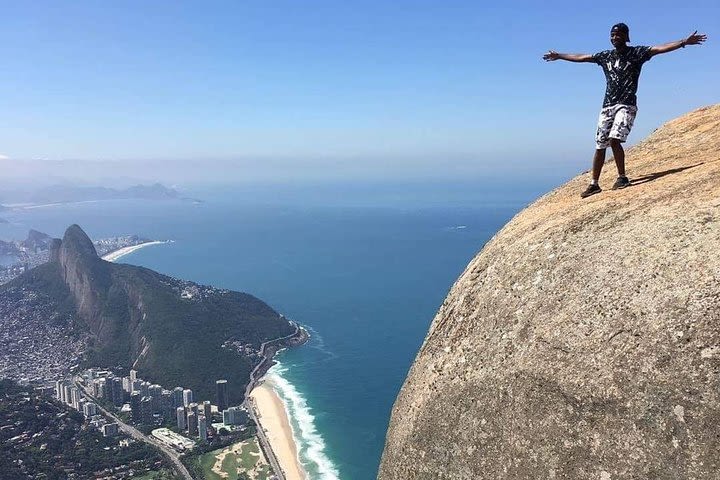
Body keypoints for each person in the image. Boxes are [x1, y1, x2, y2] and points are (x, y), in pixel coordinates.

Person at [543, 24, 707, 198]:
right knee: (600, 145)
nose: (615, 37)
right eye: (612, 35)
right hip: (607, 106)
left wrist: (683, 42)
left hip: (626, 104)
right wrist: (559, 56)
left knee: (614, 140)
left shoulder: (636, 53)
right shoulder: (605, 56)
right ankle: (594, 184)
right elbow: (582, 57)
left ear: (627, 36)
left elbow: (659, 48)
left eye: (619, 34)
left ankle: (622, 177)